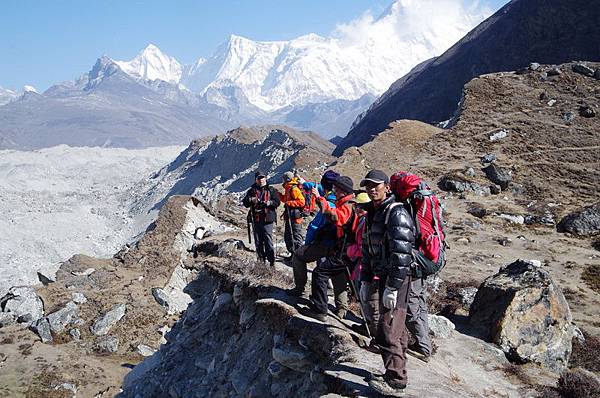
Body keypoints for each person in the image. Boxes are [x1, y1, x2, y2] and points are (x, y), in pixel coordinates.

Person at [359, 169, 416, 397]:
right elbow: (368, 248)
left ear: (387, 187)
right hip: (384, 276)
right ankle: (396, 370)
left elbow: (402, 255)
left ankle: (396, 382)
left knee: (387, 328)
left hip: (397, 278)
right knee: (395, 327)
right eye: (368, 186)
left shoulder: (396, 213)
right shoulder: (374, 212)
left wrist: (393, 286)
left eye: (376, 185)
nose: (372, 189)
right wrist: (365, 279)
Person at [306, 175, 357, 321]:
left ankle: (320, 309)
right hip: (346, 250)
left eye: (337, 188)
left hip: (345, 250)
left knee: (319, 273)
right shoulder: (349, 203)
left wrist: (319, 199)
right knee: (337, 275)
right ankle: (341, 308)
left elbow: (335, 217)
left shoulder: (347, 206)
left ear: (344, 191)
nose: (334, 190)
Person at [287, 170, 339, 298]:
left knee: (300, 257)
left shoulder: (328, 203)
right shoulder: (336, 196)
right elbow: (318, 188)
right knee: (324, 265)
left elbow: (315, 226)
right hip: (336, 242)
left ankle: (304, 291)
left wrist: (308, 243)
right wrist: (304, 182)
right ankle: (337, 300)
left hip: (324, 241)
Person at [347, 192, 380, 337]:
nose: (355, 208)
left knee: (367, 297)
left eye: (357, 205)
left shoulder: (365, 222)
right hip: (366, 264)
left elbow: (364, 247)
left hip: (366, 265)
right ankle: (368, 325)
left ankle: (372, 329)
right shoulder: (365, 220)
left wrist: (350, 250)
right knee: (366, 296)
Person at [242, 170, 281, 267]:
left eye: (262, 177)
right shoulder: (251, 191)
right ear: (256, 180)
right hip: (256, 219)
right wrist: (251, 199)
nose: (261, 180)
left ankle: (271, 262)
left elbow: (277, 202)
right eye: (259, 178)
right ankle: (261, 262)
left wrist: (269, 203)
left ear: (266, 178)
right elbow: (245, 203)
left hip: (268, 218)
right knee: (258, 241)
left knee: (268, 240)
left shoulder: (271, 190)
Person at [279, 171, 305, 259]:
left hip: (295, 217)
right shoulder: (288, 188)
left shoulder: (294, 189)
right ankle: (293, 255)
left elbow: (302, 202)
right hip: (290, 216)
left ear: (286, 179)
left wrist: (289, 203)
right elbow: (285, 200)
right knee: (289, 235)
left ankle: (298, 257)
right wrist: (278, 195)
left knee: (296, 236)